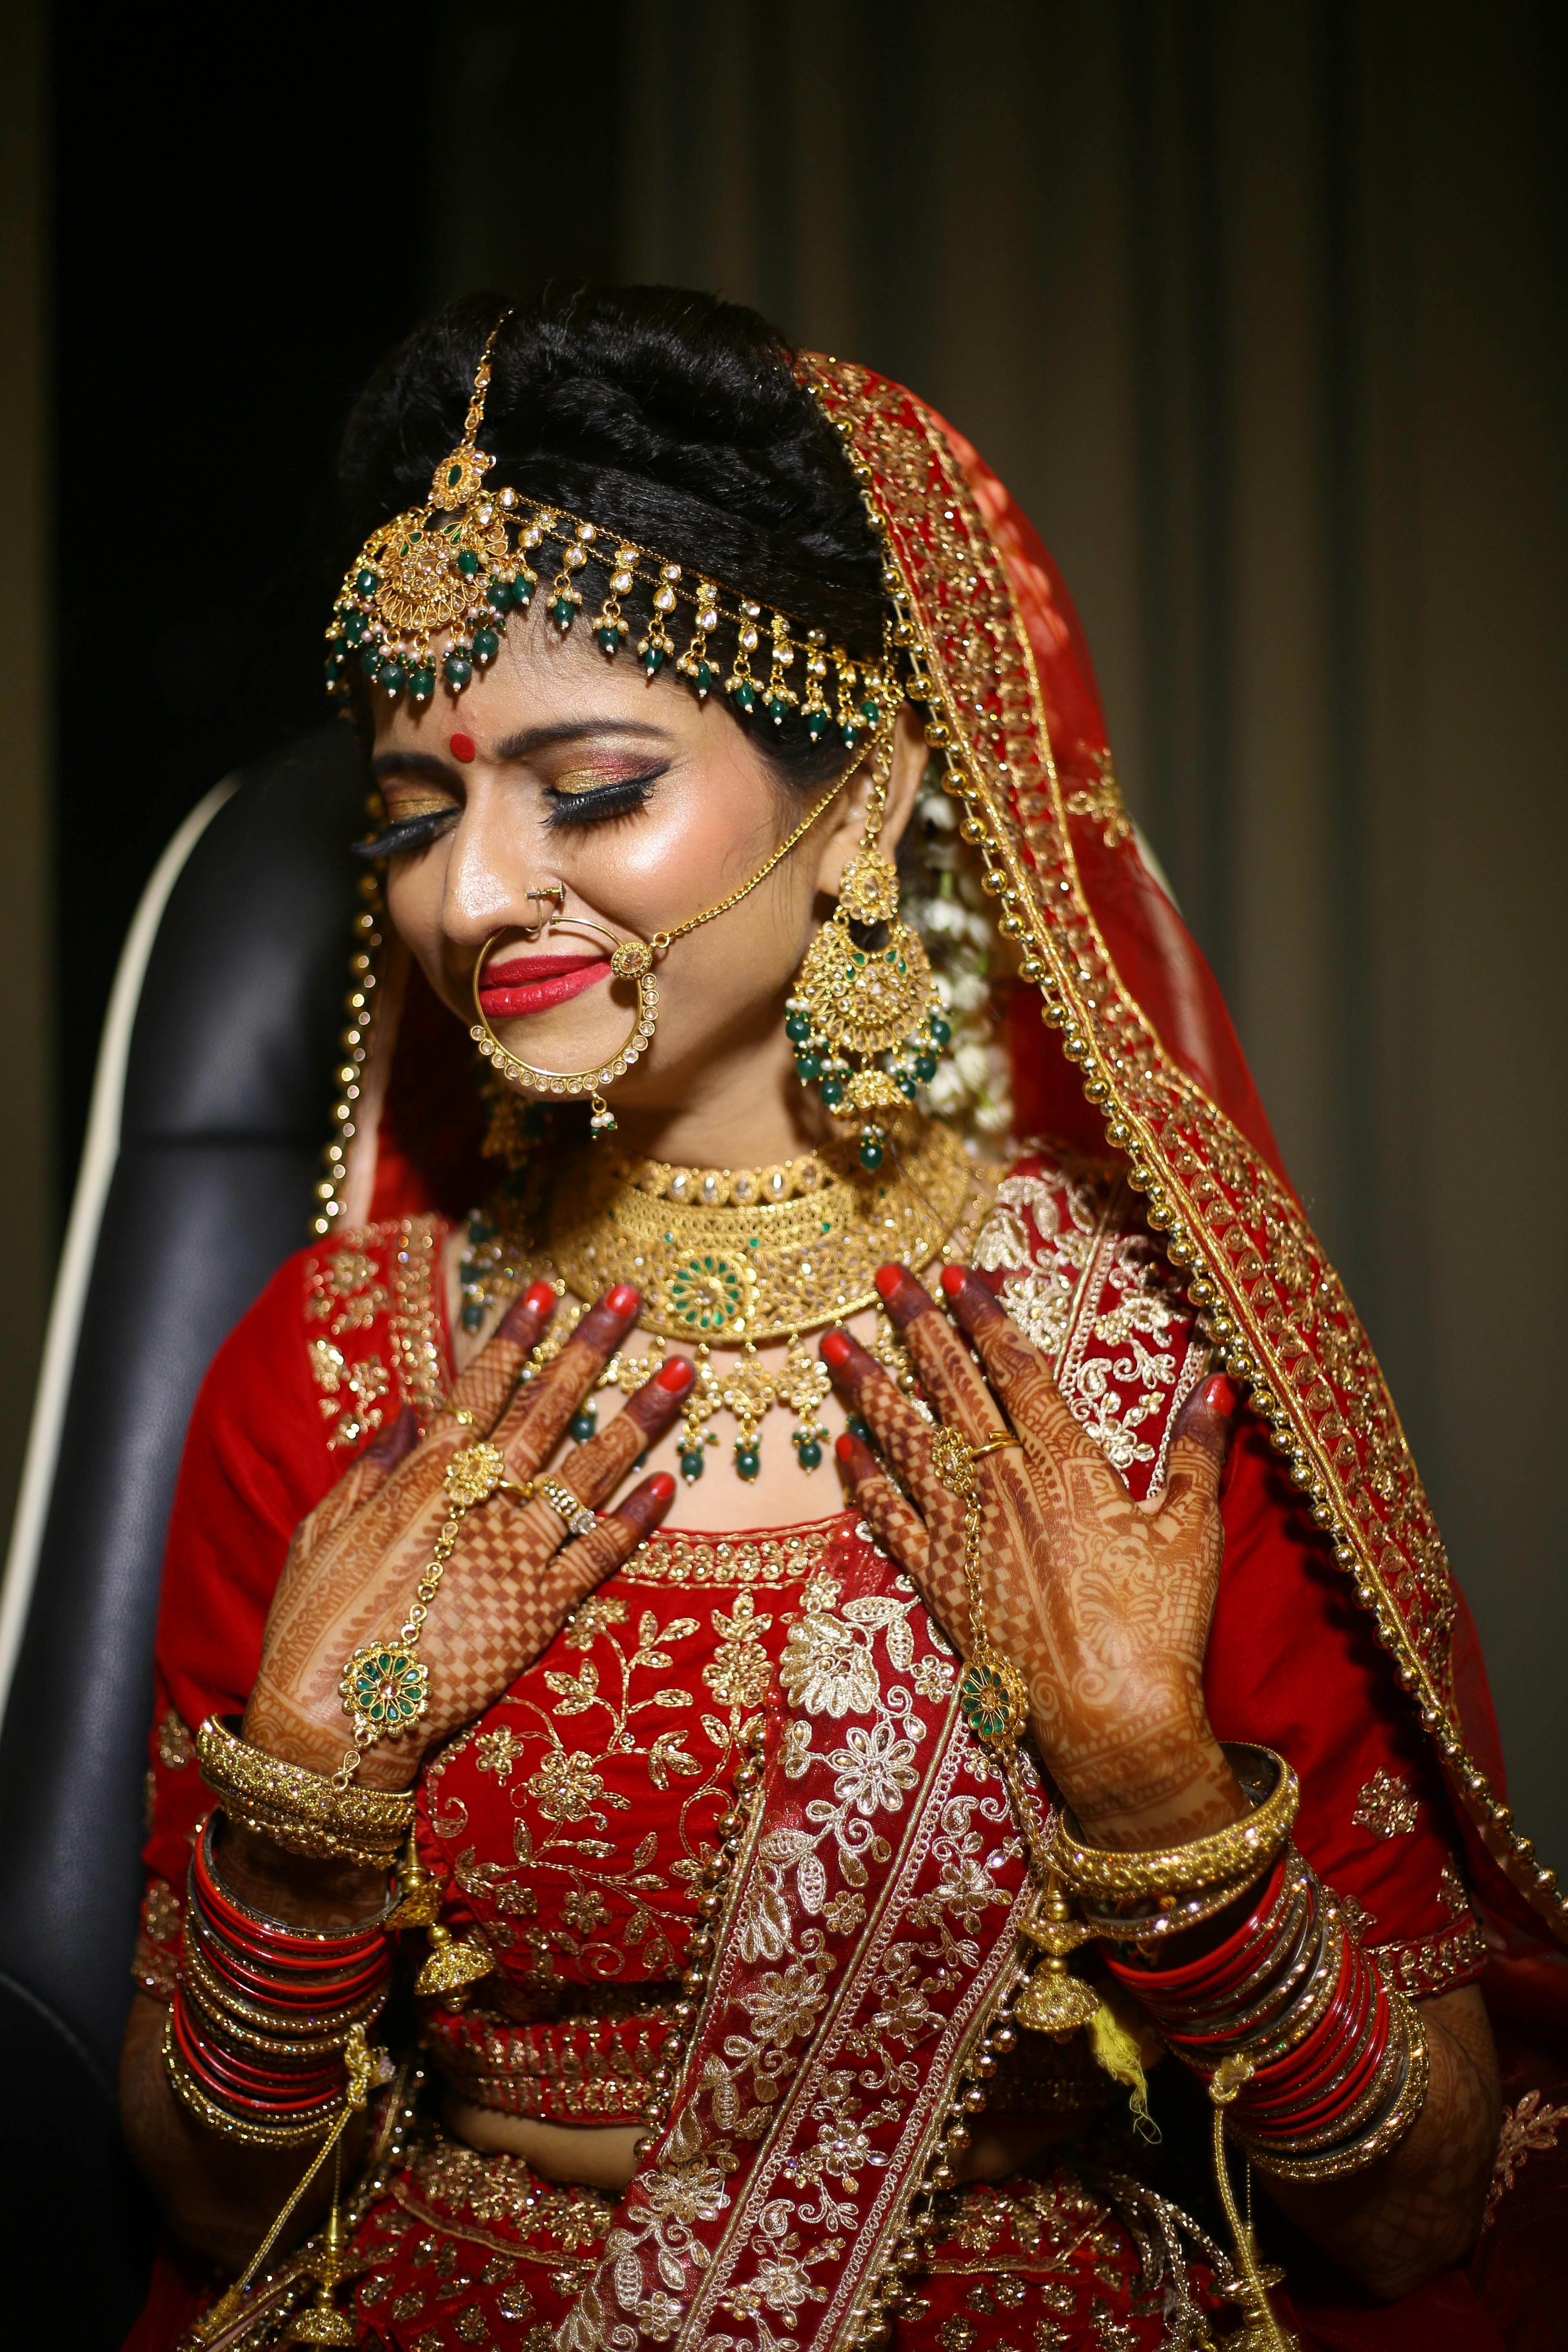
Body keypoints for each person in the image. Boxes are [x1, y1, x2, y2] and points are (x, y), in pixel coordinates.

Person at [119, 286, 1566, 2352]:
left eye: (591, 789)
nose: (470, 897)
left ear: (867, 803)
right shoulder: (339, 1366)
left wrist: (1156, 1797)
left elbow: (1432, 2211)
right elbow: (197, 2191)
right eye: (419, 818)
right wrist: (305, 1795)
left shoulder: (1137, 1351)